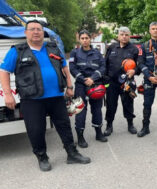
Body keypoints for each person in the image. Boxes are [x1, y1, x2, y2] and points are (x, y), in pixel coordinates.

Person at [0, 20, 91, 171]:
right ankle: (42, 157)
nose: (36, 32)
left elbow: (64, 67)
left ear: (43, 32)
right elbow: (4, 72)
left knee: (64, 126)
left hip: (56, 96)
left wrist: (69, 86)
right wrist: (8, 94)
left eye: (39, 29)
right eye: (32, 29)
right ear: (26, 33)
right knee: (36, 130)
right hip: (32, 99)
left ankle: (72, 154)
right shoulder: (17, 51)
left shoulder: (53, 48)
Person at [69, 30, 107, 148]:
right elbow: (72, 68)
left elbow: (103, 67)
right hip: (81, 85)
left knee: (97, 109)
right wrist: (84, 79)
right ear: (79, 40)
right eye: (82, 38)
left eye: (87, 38)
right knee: (80, 110)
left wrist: (93, 78)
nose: (85, 40)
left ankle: (98, 133)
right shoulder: (74, 53)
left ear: (90, 39)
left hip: (95, 85)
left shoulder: (97, 53)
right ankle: (80, 137)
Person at [103, 27, 139, 136]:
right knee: (111, 105)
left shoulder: (134, 49)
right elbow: (105, 63)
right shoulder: (111, 48)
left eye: (126, 35)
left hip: (127, 82)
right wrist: (105, 79)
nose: (124, 36)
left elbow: (140, 65)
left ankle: (130, 124)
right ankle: (109, 125)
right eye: (122, 34)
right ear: (118, 36)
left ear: (129, 36)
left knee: (128, 104)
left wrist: (135, 70)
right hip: (112, 82)